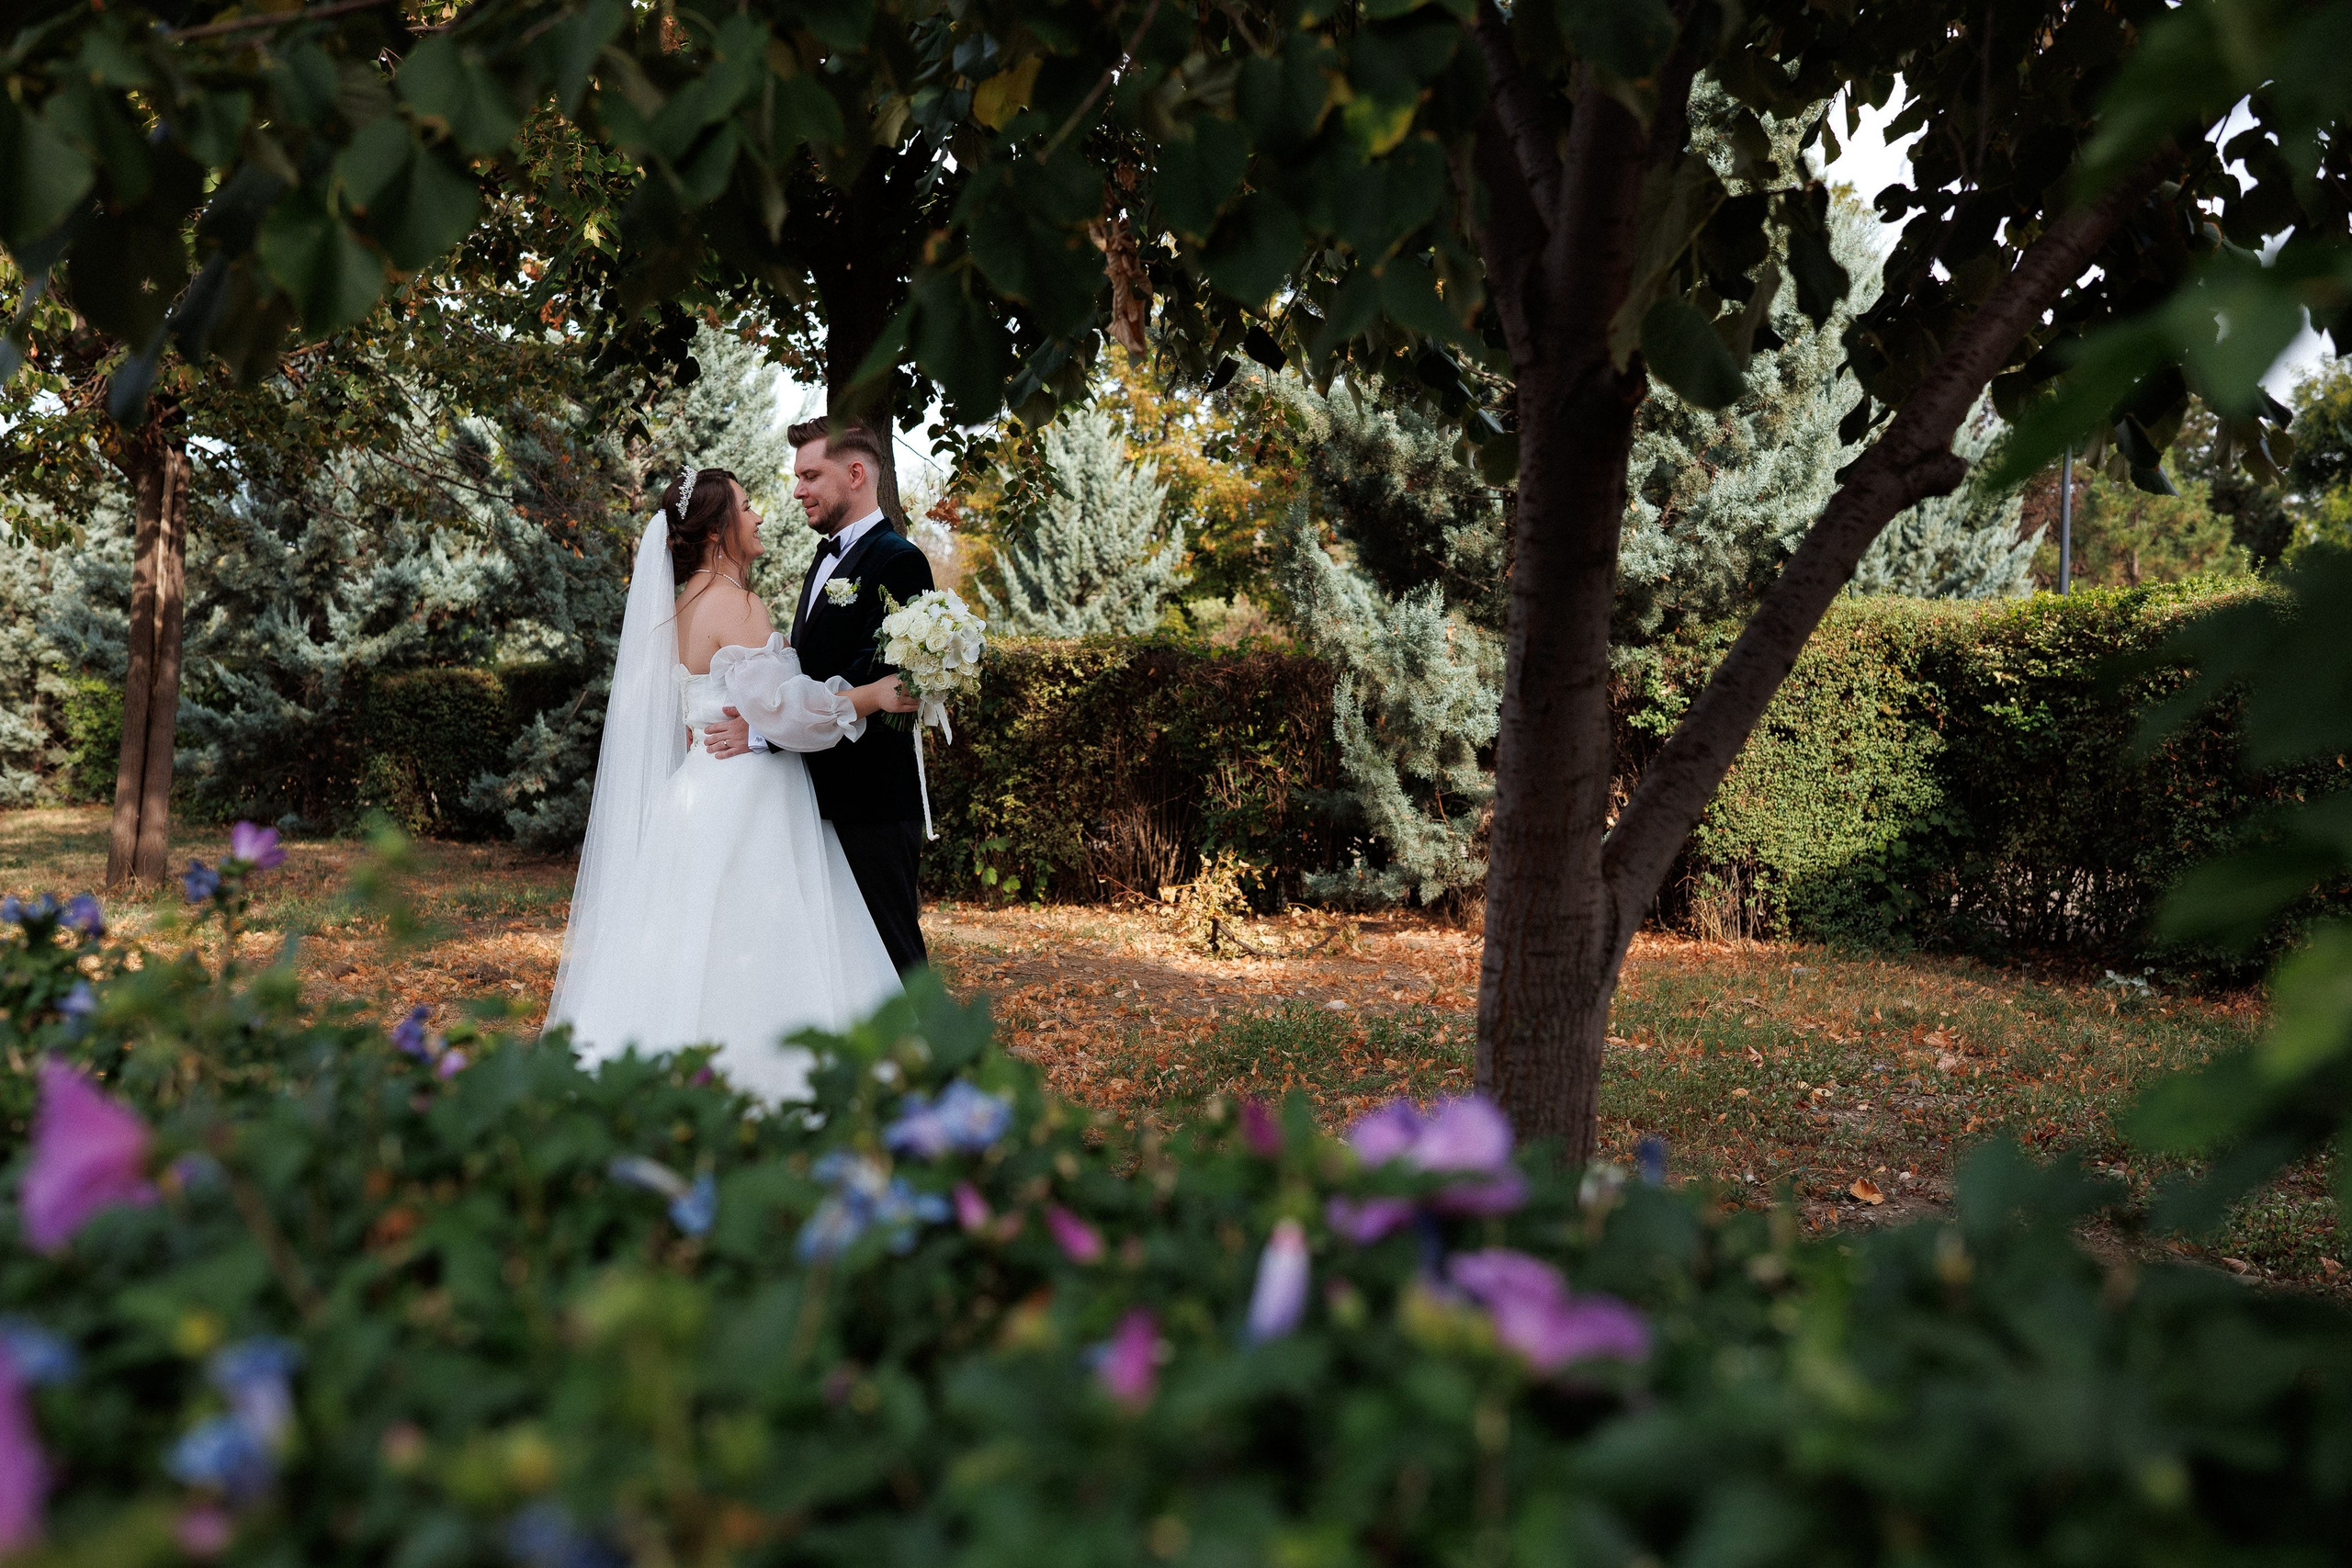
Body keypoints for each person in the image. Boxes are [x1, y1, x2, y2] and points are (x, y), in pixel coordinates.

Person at [547, 466, 918, 1101]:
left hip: (696, 793)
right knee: (765, 935)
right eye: (747, 506)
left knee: (692, 934)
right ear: (720, 530)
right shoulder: (739, 605)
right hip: (753, 791)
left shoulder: (678, 607)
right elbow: (788, 713)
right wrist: (870, 695)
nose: (761, 515)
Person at [701, 418, 936, 973]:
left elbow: (880, 682)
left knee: (895, 961)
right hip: (820, 798)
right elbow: (809, 669)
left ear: (855, 474)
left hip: (871, 801)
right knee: (847, 972)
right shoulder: (825, 558)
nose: (797, 490)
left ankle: (940, 1063)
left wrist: (761, 732)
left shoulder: (899, 562)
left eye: (810, 475)